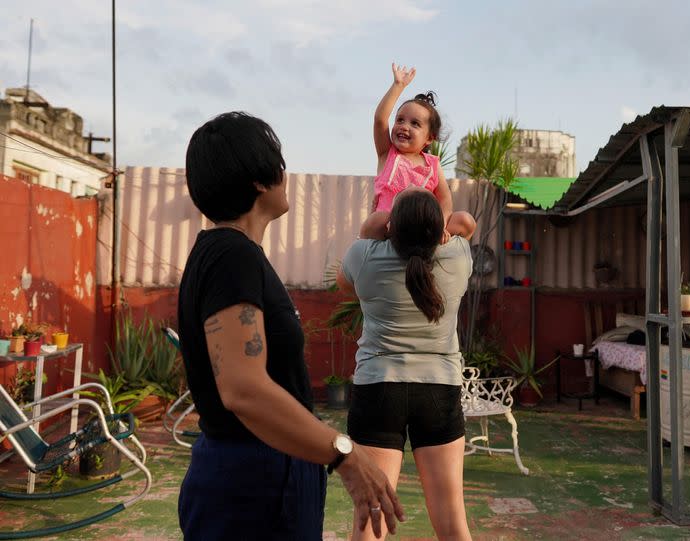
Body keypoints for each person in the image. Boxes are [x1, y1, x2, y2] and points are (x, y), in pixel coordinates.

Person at [178, 111, 405, 540]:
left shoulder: (230, 253)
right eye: (279, 163)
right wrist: (345, 455)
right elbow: (243, 389)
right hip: (252, 481)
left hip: (263, 471)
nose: (287, 174)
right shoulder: (232, 256)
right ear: (260, 180)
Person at [337, 186, 476, 540]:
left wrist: (373, 228)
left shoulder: (364, 257)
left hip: (378, 390)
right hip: (439, 390)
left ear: (391, 227)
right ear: (438, 230)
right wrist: (443, 228)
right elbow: (466, 222)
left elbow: (343, 285)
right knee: (451, 518)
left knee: (371, 519)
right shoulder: (458, 258)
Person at [360, 63, 474, 243]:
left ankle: (446, 255)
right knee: (376, 220)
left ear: (429, 138)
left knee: (466, 221)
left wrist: (441, 227)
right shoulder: (387, 155)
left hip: (423, 230)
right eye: (400, 120)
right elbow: (380, 120)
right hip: (390, 229)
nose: (404, 126)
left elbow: (445, 202)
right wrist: (398, 86)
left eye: (415, 124)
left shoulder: (433, 165)